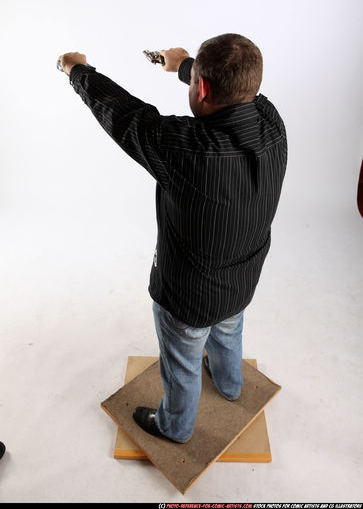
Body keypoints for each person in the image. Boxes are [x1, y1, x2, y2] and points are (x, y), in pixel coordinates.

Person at [58, 33, 287, 444]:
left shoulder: (184, 148)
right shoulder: (273, 123)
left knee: (181, 366)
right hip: (243, 281)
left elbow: (124, 114)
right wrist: (185, 66)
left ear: (201, 88)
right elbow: (238, 94)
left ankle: (175, 427)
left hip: (187, 298)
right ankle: (231, 386)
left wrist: (76, 69)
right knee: (229, 331)